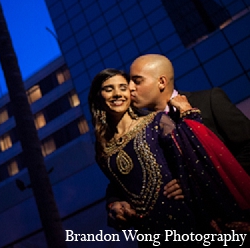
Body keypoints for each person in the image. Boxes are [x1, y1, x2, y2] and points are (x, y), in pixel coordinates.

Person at [90, 68, 249, 245]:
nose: (117, 94)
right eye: (109, 89)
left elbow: (194, 156)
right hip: (149, 232)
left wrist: (188, 183)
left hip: (186, 219)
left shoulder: (157, 122)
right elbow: (118, 183)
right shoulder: (102, 147)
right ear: (98, 96)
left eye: (122, 87)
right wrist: (115, 205)